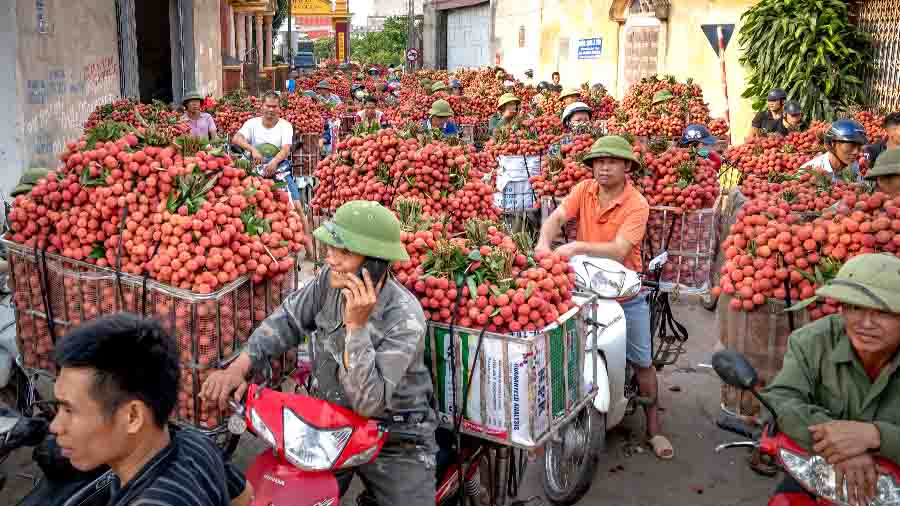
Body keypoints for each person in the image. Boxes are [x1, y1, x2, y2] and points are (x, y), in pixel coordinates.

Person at [201, 200, 437, 506]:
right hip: (329, 424)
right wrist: (238, 367)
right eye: (332, 248)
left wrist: (356, 327)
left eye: (345, 252)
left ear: (375, 264)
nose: (331, 258)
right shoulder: (328, 282)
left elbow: (368, 402)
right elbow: (288, 320)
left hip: (395, 436)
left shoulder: (404, 317)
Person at [536, 136, 674, 461]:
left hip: (626, 291)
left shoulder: (637, 203)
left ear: (627, 166)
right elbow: (557, 217)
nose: (604, 167)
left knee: (642, 362)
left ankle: (654, 428)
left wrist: (574, 247)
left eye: (611, 161)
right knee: (563, 346)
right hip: (585, 284)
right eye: (598, 161)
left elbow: (619, 249)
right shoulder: (584, 190)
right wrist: (544, 241)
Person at [50, 313, 252, 506]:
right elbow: (244, 496)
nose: (55, 426)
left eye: (69, 410)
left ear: (133, 416)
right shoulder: (196, 443)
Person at [762, 253, 900, 506]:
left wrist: (876, 436)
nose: (865, 323)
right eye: (854, 307)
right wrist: (838, 449)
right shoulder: (812, 341)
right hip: (822, 470)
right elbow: (780, 400)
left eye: (883, 312)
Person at [232, 91, 300, 203]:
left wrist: (274, 162)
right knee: (246, 200)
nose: (271, 109)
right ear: (262, 107)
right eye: (268, 106)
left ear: (279, 108)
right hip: (254, 169)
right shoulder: (251, 123)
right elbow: (236, 138)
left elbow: (286, 149)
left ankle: (302, 219)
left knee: (295, 204)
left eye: (274, 106)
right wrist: (252, 149)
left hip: (278, 168)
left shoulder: (286, 126)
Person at [801, 119, 867, 183]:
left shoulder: (854, 166)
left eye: (859, 146)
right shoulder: (808, 172)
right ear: (832, 144)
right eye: (851, 145)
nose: (856, 152)